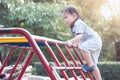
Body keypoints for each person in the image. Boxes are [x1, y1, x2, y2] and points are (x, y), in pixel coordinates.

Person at [62, 5, 102, 80]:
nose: (64, 20)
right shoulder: (74, 26)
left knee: (83, 47)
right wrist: (76, 43)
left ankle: (89, 66)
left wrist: (71, 41)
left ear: (74, 16)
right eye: (63, 18)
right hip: (95, 41)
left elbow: (79, 36)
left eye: (66, 17)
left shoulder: (77, 23)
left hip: (94, 40)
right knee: (94, 65)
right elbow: (80, 38)